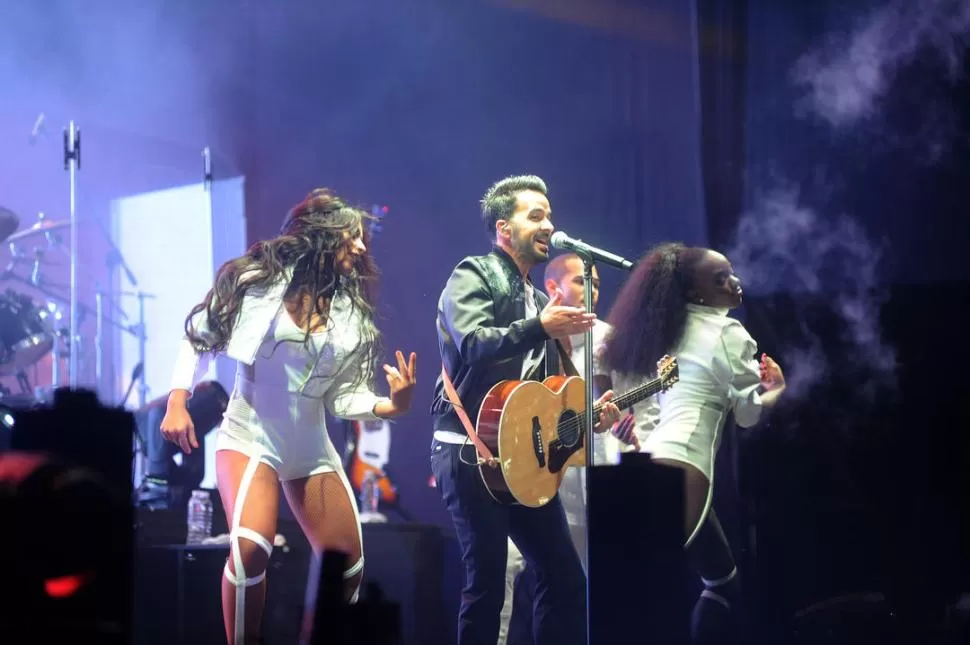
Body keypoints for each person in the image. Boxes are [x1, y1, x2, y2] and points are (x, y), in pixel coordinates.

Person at [159, 188, 418, 645]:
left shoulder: (350, 312)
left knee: (350, 568)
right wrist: (177, 401)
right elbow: (198, 336)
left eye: (362, 240)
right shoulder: (256, 284)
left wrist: (391, 405)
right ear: (320, 235)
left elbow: (343, 397)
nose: (359, 248)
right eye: (350, 236)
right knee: (250, 548)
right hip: (249, 436)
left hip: (308, 446)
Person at [430, 175, 622, 645]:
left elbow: (548, 393)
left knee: (566, 578)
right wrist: (538, 325)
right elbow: (473, 343)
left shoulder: (539, 300)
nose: (548, 224)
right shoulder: (473, 274)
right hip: (469, 452)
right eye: (535, 215)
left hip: (522, 457)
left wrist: (586, 416)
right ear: (503, 228)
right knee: (487, 588)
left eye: (550, 216)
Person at [602, 241, 787, 644]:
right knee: (649, 602)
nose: (733, 284)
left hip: (655, 460)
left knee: (722, 581)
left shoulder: (672, 328)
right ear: (695, 293)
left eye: (732, 274)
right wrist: (776, 389)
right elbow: (749, 414)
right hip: (683, 468)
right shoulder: (729, 331)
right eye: (720, 280)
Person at [498, 253, 640, 645]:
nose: (592, 290)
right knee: (505, 565)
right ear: (552, 288)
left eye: (596, 282)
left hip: (592, 482)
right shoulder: (530, 336)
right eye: (582, 282)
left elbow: (637, 409)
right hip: (534, 478)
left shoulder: (611, 341)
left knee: (588, 589)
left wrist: (626, 428)